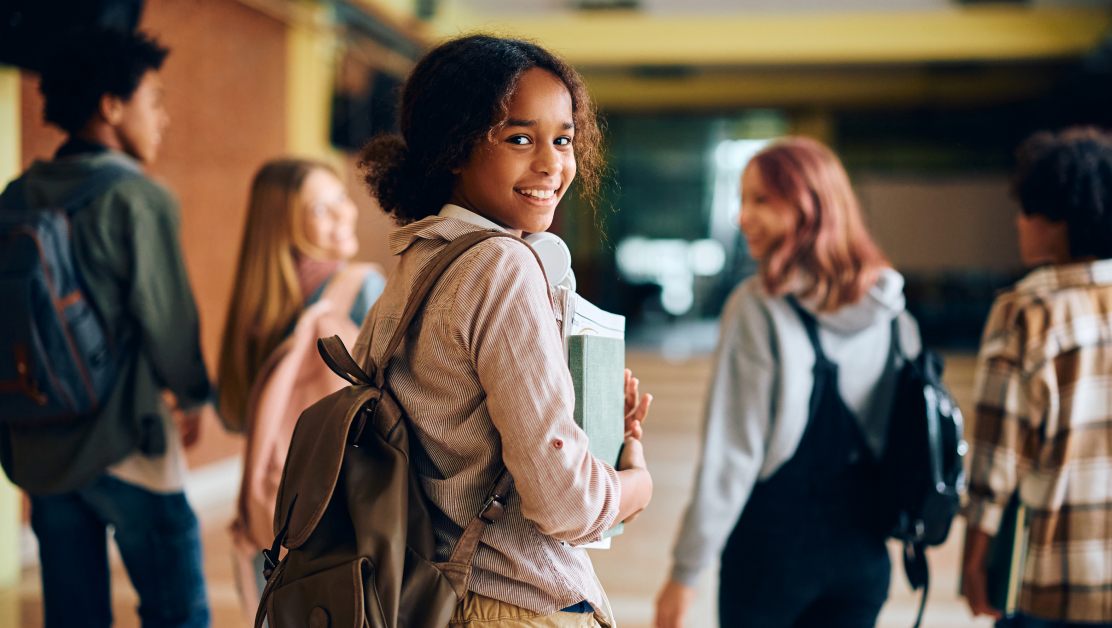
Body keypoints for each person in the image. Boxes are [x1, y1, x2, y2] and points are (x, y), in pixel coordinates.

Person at [353, 34, 653, 628]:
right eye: (519, 138)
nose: (552, 164)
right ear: (456, 147)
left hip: (423, 592)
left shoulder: (419, 260)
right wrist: (633, 481)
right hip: (508, 603)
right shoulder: (501, 265)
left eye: (563, 139)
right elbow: (565, 503)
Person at [654, 137, 922, 628]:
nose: (742, 217)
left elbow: (731, 456)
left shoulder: (757, 308)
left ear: (807, 207)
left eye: (761, 200)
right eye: (742, 200)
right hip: (863, 554)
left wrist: (683, 574)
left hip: (772, 553)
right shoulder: (892, 313)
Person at [0, 27, 212, 627]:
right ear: (112, 106)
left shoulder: (17, 194)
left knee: (74, 617)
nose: (164, 118)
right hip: (128, 438)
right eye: (156, 100)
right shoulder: (138, 196)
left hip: (39, 439)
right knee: (178, 613)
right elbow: (167, 320)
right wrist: (193, 394)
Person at [960, 127, 1112, 628]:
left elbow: (994, 459)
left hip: (1047, 585)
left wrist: (975, 559)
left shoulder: (1025, 311)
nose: (1020, 223)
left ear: (1060, 221)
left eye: (1029, 210)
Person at [216, 158, 385, 619]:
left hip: (266, 522)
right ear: (285, 223)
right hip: (335, 522)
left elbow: (233, 415)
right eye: (321, 209)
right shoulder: (361, 289)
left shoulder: (253, 312)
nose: (345, 213)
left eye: (340, 200)